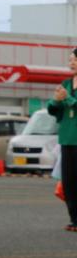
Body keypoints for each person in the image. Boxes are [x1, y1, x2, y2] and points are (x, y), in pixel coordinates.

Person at [49, 48, 77, 231]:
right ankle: (74, 219)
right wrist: (56, 101)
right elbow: (53, 110)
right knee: (68, 181)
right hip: (67, 138)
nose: (71, 63)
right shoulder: (66, 83)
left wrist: (67, 99)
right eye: (70, 59)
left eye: (75, 59)